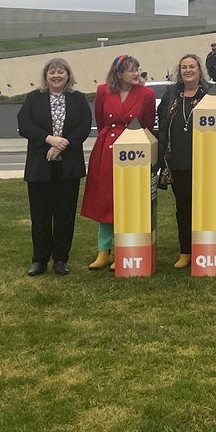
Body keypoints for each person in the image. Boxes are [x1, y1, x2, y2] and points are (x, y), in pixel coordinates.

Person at [17, 57, 91, 276]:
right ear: (46, 76)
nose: (56, 75)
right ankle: (39, 259)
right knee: (40, 215)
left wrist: (61, 145)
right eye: (52, 72)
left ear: (68, 75)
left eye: (61, 71)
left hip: (68, 167)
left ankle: (60, 259)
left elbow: (83, 127)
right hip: (40, 166)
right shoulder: (33, 98)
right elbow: (24, 125)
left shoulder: (78, 99)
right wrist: (49, 139)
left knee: (64, 214)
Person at [81, 54, 156, 271]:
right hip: (107, 149)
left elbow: (148, 125)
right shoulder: (104, 91)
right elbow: (102, 120)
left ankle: (124, 249)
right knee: (105, 199)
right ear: (119, 72)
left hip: (134, 152)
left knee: (128, 201)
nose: (136, 73)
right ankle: (103, 251)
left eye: (138, 69)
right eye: (131, 69)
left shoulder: (147, 94)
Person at [156, 53, 210, 270]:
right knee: (183, 208)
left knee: (204, 207)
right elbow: (162, 124)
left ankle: (205, 249)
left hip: (205, 163)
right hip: (178, 161)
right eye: (184, 67)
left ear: (200, 70)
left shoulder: (210, 93)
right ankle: (185, 251)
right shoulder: (171, 95)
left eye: (192, 67)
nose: (188, 70)